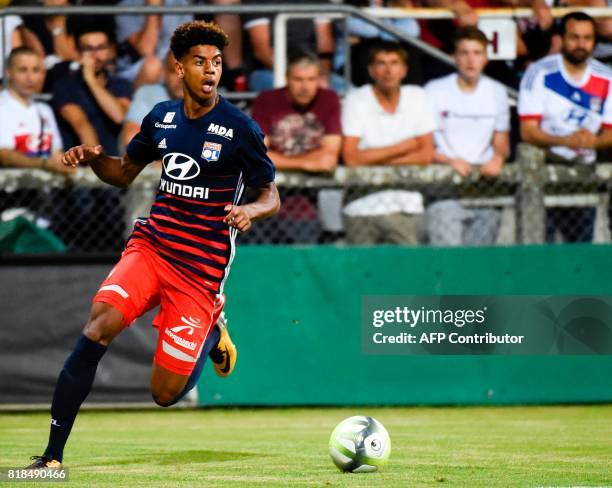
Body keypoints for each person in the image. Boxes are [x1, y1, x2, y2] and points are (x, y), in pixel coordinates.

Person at [26, 20, 280, 469]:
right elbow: (123, 172)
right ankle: (51, 460)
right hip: (152, 245)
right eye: (199, 61)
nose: (210, 71)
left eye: (217, 63)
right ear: (178, 66)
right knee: (95, 329)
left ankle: (213, 330)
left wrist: (250, 212)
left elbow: (270, 195)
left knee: (165, 395)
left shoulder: (240, 128)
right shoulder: (161, 117)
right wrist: (93, 159)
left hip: (200, 271)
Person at [519, 11, 612, 243]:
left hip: (584, 172)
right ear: (561, 38)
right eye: (574, 37)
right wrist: (566, 141)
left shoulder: (607, 78)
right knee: (541, 248)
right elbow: (528, 131)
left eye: (587, 38)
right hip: (543, 172)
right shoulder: (539, 73)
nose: (581, 44)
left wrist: (592, 141)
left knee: (581, 247)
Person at [341, 41, 435, 245]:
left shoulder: (418, 97)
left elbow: (426, 155)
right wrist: (405, 146)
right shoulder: (356, 99)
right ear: (371, 70)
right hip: (361, 207)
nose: (388, 70)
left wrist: (373, 159)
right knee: (362, 274)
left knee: (407, 273)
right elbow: (351, 157)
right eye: (381, 63)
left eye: (394, 63)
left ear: (404, 70)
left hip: (406, 206)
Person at [425, 26, 509, 246]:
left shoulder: (497, 91)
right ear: (454, 57)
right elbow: (424, 144)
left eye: (477, 53)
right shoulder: (434, 90)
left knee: (480, 264)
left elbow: (501, 140)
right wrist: (449, 161)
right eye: (464, 53)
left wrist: (498, 158)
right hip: (444, 191)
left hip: (485, 190)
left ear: (486, 58)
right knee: (446, 264)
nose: (470, 60)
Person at [251, 50, 341, 242]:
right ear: (287, 79)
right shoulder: (267, 100)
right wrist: (307, 164)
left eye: (311, 79)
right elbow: (258, 154)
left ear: (319, 80)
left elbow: (329, 158)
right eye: (298, 79)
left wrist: (281, 160)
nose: (305, 87)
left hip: (315, 195)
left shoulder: (329, 99)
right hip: (271, 190)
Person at [52, 22, 132, 157]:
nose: (95, 55)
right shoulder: (64, 85)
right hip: (81, 165)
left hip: (115, 163)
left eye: (101, 48)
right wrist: (99, 164)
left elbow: (119, 116)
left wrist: (91, 81)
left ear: (111, 51)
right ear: (77, 53)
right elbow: (81, 125)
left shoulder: (120, 84)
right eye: (88, 49)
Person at [0, 47, 73, 175]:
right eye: (23, 70)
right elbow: (4, 155)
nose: (30, 78)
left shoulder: (44, 110)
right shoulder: (3, 107)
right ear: (8, 73)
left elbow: (56, 153)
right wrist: (43, 164)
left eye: (36, 70)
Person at [120, 51, 184, 150]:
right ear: (163, 72)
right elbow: (130, 139)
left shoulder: (215, 100)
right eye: (174, 71)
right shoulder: (147, 94)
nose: (181, 78)